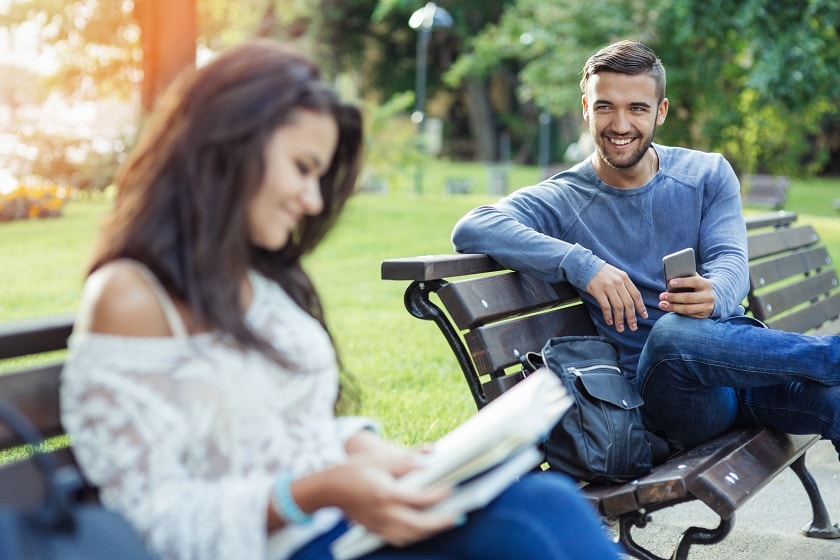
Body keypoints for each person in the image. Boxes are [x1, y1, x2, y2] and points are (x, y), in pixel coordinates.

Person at [59, 39, 623, 560]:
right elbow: (144, 519)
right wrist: (315, 491)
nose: (310, 200)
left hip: (334, 527)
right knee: (531, 524)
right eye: (303, 169)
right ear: (227, 147)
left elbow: (284, 425)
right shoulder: (131, 298)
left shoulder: (256, 280)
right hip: (276, 545)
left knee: (542, 503)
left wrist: (367, 452)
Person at [452, 39, 840, 460]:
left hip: (739, 369)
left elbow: (730, 261)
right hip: (674, 401)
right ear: (586, 108)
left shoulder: (708, 173)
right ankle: (831, 357)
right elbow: (473, 226)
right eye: (605, 107)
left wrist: (715, 295)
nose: (620, 124)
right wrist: (582, 264)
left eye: (637, 108)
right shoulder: (565, 198)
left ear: (661, 111)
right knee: (671, 334)